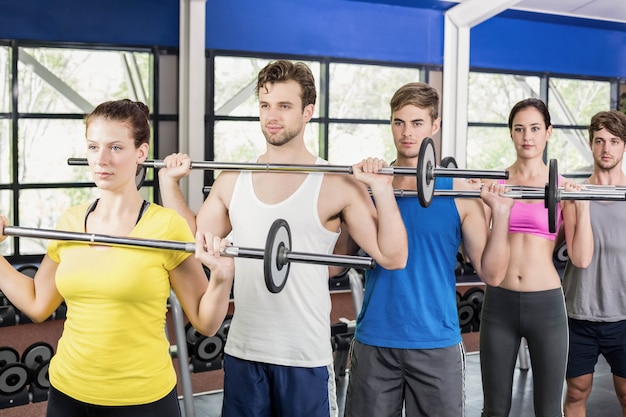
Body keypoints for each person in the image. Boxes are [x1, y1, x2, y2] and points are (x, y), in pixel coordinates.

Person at [157, 60, 409, 417]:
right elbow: (197, 239)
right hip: (244, 353)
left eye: (284, 106)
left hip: (304, 359)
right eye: (265, 105)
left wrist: (381, 192)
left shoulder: (336, 183)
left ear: (308, 111)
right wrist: (169, 184)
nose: (271, 116)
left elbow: (393, 257)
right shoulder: (234, 179)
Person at [0, 99, 235, 417]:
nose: (102, 159)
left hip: (142, 399)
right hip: (68, 392)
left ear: (141, 153)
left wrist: (222, 278)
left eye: (116, 148)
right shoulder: (70, 222)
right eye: (93, 146)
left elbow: (205, 323)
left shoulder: (165, 226)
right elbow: (37, 304)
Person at [342, 82, 514, 417]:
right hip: (376, 339)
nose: (407, 133)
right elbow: (338, 263)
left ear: (435, 126)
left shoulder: (460, 192)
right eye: (399, 122)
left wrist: (502, 213)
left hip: (436, 343)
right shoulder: (369, 189)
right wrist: (346, 200)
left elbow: (493, 273)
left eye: (417, 122)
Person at [478, 98, 594, 417]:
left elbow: (582, 258)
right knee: (495, 410)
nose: (527, 136)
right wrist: (482, 200)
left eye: (534, 128)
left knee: (548, 410)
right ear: (510, 134)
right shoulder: (495, 185)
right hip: (499, 303)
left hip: (546, 306)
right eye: (519, 129)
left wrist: (580, 208)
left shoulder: (561, 188)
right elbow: (478, 248)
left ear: (548, 133)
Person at [562, 110, 626, 417]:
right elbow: (577, 256)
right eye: (600, 140)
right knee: (576, 391)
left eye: (614, 141)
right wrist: (581, 203)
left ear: (624, 146)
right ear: (591, 144)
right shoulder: (574, 195)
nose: (606, 148)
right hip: (580, 315)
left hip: (624, 316)